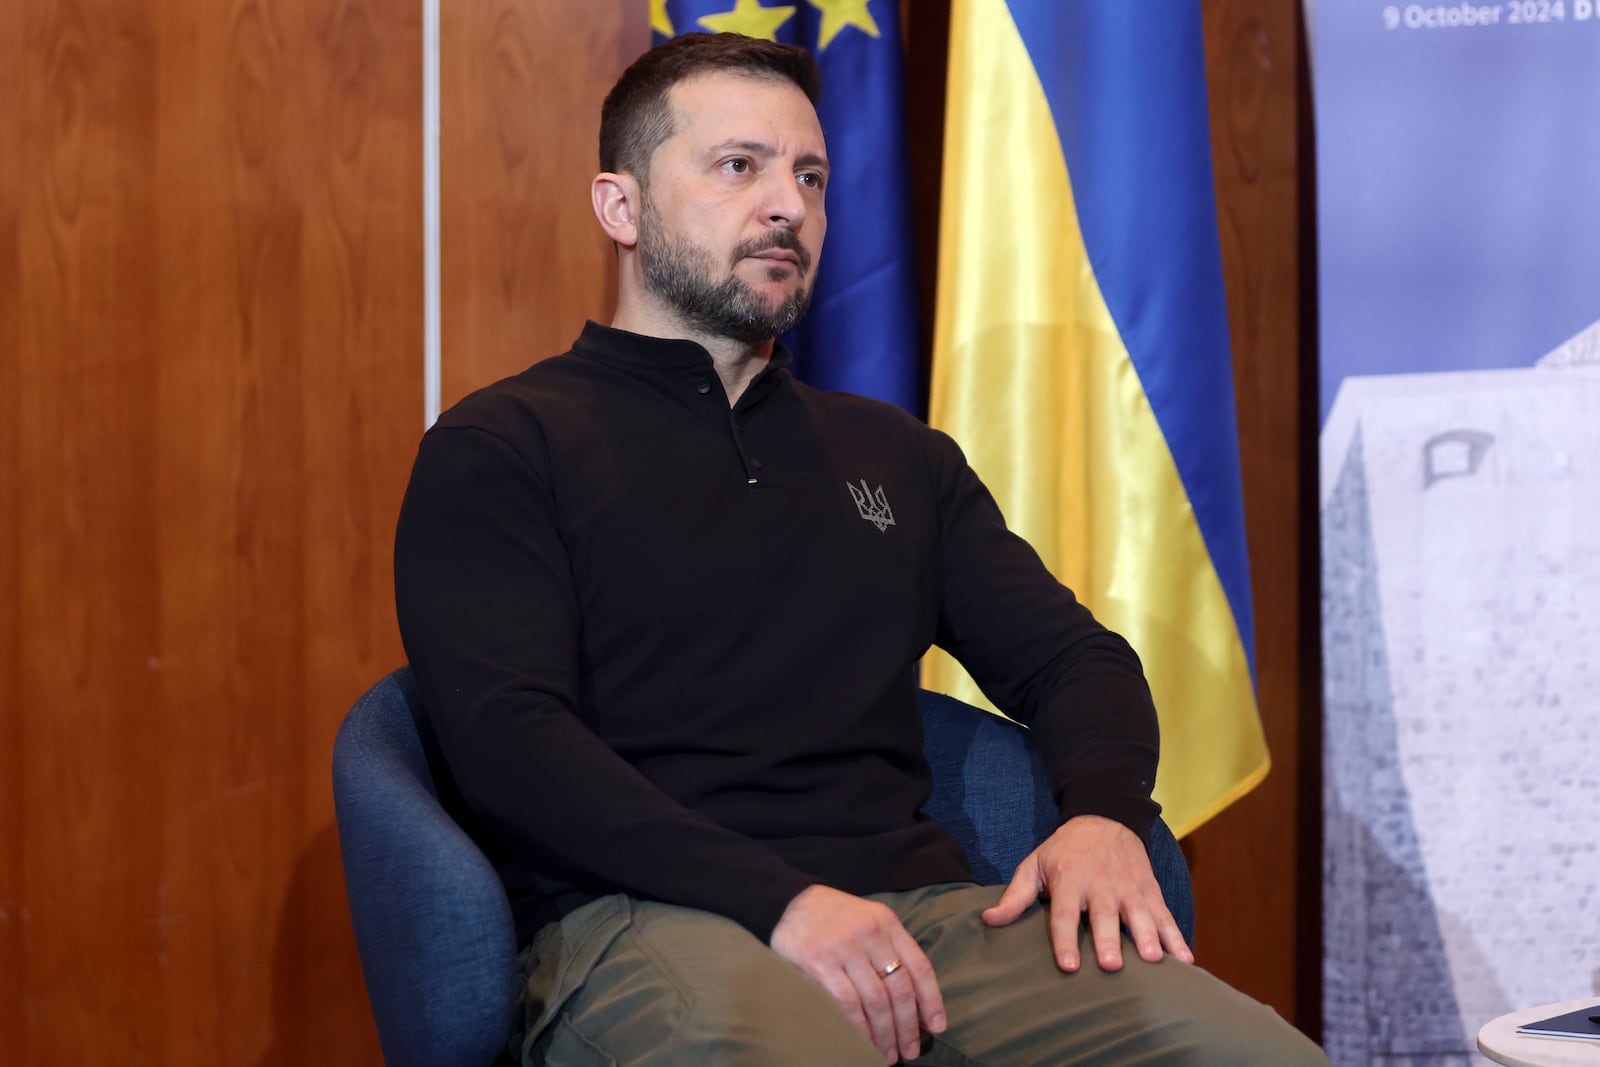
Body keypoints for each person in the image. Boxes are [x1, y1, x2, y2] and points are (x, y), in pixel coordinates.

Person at [394, 31, 1328, 1067]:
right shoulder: (504, 445)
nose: (787, 204)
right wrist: (781, 899)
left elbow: (1078, 661)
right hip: (642, 918)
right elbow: (512, 746)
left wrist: (1104, 814)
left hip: (917, 921)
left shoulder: (892, 453)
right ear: (620, 208)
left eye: (810, 176)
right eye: (737, 167)